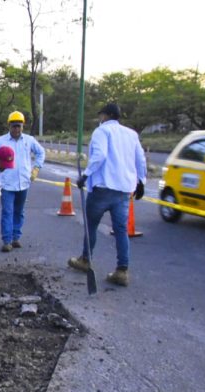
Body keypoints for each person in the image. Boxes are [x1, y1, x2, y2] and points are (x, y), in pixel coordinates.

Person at [68, 103, 147, 286]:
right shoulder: (132, 134)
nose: (99, 118)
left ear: (107, 115)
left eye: (101, 115)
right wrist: (141, 181)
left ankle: (86, 260)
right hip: (123, 190)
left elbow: (100, 155)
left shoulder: (102, 131)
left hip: (103, 187)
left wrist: (86, 175)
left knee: (92, 226)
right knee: (121, 230)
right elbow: (140, 159)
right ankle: (122, 270)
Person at [0, 111, 45, 252]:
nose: (16, 129)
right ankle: (7, 240)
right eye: (14, 126)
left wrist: (36, 168)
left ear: (23, 126)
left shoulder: (29, 140)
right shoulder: (0, 141)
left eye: (19, 126)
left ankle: (16, 237)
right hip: (7, 184)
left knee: (19, 212)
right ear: (9, 126)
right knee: (7, 212)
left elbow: (41, 152)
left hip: (23, 183)